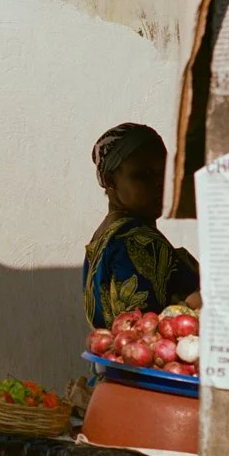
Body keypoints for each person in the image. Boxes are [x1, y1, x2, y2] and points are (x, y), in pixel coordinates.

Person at [82, 123, 201, 330]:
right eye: (143, 174)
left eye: (163, 172)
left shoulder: (105, 236)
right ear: (111, 181)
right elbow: (147, 331)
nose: (159, 183)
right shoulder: (137, 239)